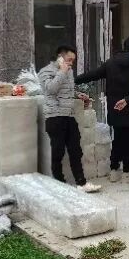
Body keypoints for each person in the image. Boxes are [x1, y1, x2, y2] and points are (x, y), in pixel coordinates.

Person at [77, 36, 129, 183]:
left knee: (118, 138)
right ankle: (127, 172)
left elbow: (93, 75)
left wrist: (73, 80)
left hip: (115, 109)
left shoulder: (111, 63)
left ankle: (114, 170)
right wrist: (128, 100)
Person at [38, 45, 101, 193]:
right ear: (60, 57)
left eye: (73, 60)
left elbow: (66, 90)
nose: (71, 63)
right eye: (69, 59)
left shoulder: (69, 71)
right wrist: (62, 71)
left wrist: (78, 95)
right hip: (55, 116)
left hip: (69, 115)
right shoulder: (45, 71)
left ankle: (81, 182)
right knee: (58, 151)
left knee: (75, 150)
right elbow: (51, 89)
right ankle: (58, 182)